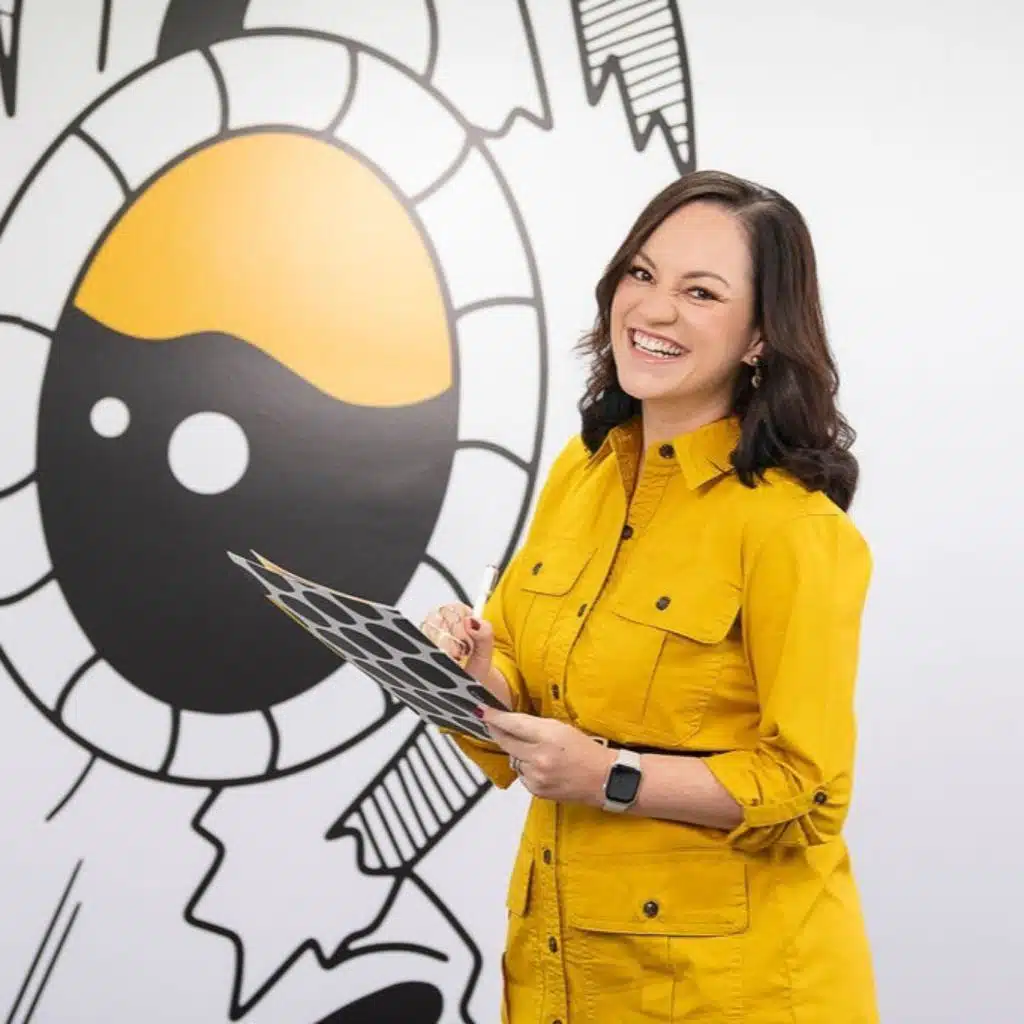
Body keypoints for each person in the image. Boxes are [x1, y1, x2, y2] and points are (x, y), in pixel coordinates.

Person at [422, 169, 878, 1023]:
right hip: (567, 971)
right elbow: (525, 696)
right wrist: (474, 671)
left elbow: (810, 792)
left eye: (700, 292)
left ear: (761, 336)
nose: (654, 310)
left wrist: (610, 778)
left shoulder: (793, 528)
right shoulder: (583, 473)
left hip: (728, 994)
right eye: (641, 273)